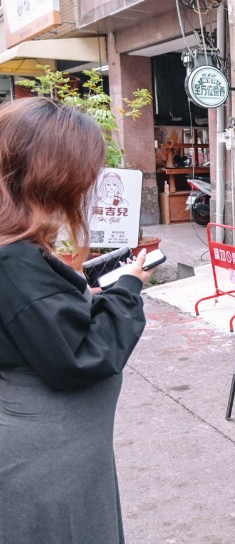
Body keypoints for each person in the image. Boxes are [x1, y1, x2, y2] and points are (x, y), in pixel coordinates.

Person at [0, 97, 152, 542]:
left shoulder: (16, 249)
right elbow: (80, 356)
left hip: (57, 446)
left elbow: (37, 321)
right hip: (49, 455)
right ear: (53, 174)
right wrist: (126, 289)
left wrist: (86, 294)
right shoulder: (14, 261)